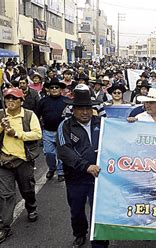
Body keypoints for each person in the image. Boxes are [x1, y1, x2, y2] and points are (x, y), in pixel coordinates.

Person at [56, 84, 109, 248]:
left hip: (100, 177)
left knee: (99, 211)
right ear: (73, 109)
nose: (85, 112)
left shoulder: (103, 123)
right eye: (80, 109)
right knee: (77, 210)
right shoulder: (65, 126)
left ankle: (100, 242)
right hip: (76, 178)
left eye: (88, 108)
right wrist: (85, 166)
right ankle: (80, 233)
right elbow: (64, 151)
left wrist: (131, 122)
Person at [0, 88, 42, 245]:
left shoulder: (29, 115)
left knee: (27, 189)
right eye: (8, 98)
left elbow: (37, 134)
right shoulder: (0, 114)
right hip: (4, 161)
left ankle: (31, 207)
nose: (10, 101)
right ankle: (4, 227)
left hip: (23, 161)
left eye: (14, 99)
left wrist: (16, 133)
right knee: (5, 195)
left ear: (21, 101)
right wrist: (1, 127)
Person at [35, 78, 68, 182]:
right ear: (48, 89)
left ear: (60, 89)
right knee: (49, 153)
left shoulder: (66, 101)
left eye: (56, 87)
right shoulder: (43, 101)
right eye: (51, 87)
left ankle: (61, 171)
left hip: (62, 132)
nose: (54, 89)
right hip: (47, 132)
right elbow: (36, 116)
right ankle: (52, 168)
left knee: (61, 154)